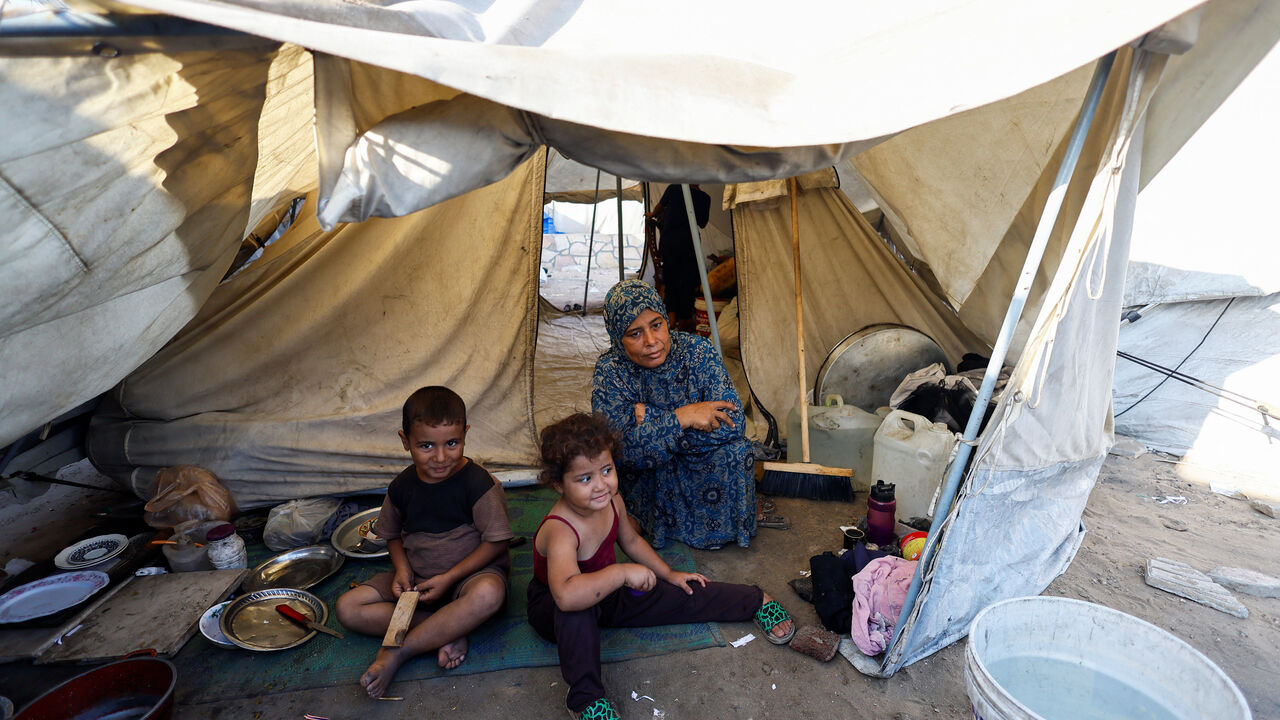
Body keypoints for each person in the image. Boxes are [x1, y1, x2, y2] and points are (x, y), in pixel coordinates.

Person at [526, 413, 796, 720]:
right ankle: (584, 700)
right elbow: (565, 595)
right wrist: (622, 573)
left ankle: (753, 600)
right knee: (577, 612)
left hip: (609, 592)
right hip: (556, 608)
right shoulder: (561, 529)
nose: (601, 485)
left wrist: (668, 574)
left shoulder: (612, 500)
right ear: (558, 485)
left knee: (677, 590)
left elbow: (630, 541)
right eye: (585, 478)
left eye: (606, 470)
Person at [335, 386, 513, 699]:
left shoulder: (479, 483)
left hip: (466, 579)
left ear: (465, 435)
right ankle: (445, 629)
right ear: (405, 441)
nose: (441, 457)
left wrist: (449, 578)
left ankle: (399, 653)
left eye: (452, 443)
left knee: (489, 594)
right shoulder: (402, 486)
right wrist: (402, 570)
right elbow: (390, 535)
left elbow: (496, 544)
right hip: (417, 580)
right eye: (426, 445)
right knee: (347, 608)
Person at [592, 279, 783, 550]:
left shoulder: (697, 352)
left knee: (738, 451)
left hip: (687, 457)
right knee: (647, 463)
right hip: (652, 469)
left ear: (666, 321)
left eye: (656, 325)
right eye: (634, 333)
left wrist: (654, 419)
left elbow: (734, 423)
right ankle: (649, 520)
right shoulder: (611, 371)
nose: (651, 341)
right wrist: (682, 417)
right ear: (617, 338)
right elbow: (622, 449)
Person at [646, 183, 710, 331]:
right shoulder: (705, 198)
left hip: (670, 242)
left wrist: (652, 215)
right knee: (688, 280)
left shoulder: (674, 188)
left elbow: (659, 207)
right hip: (690, 243)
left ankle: (671, 317)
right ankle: (684, 320)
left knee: (671, 278)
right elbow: (702, 223)